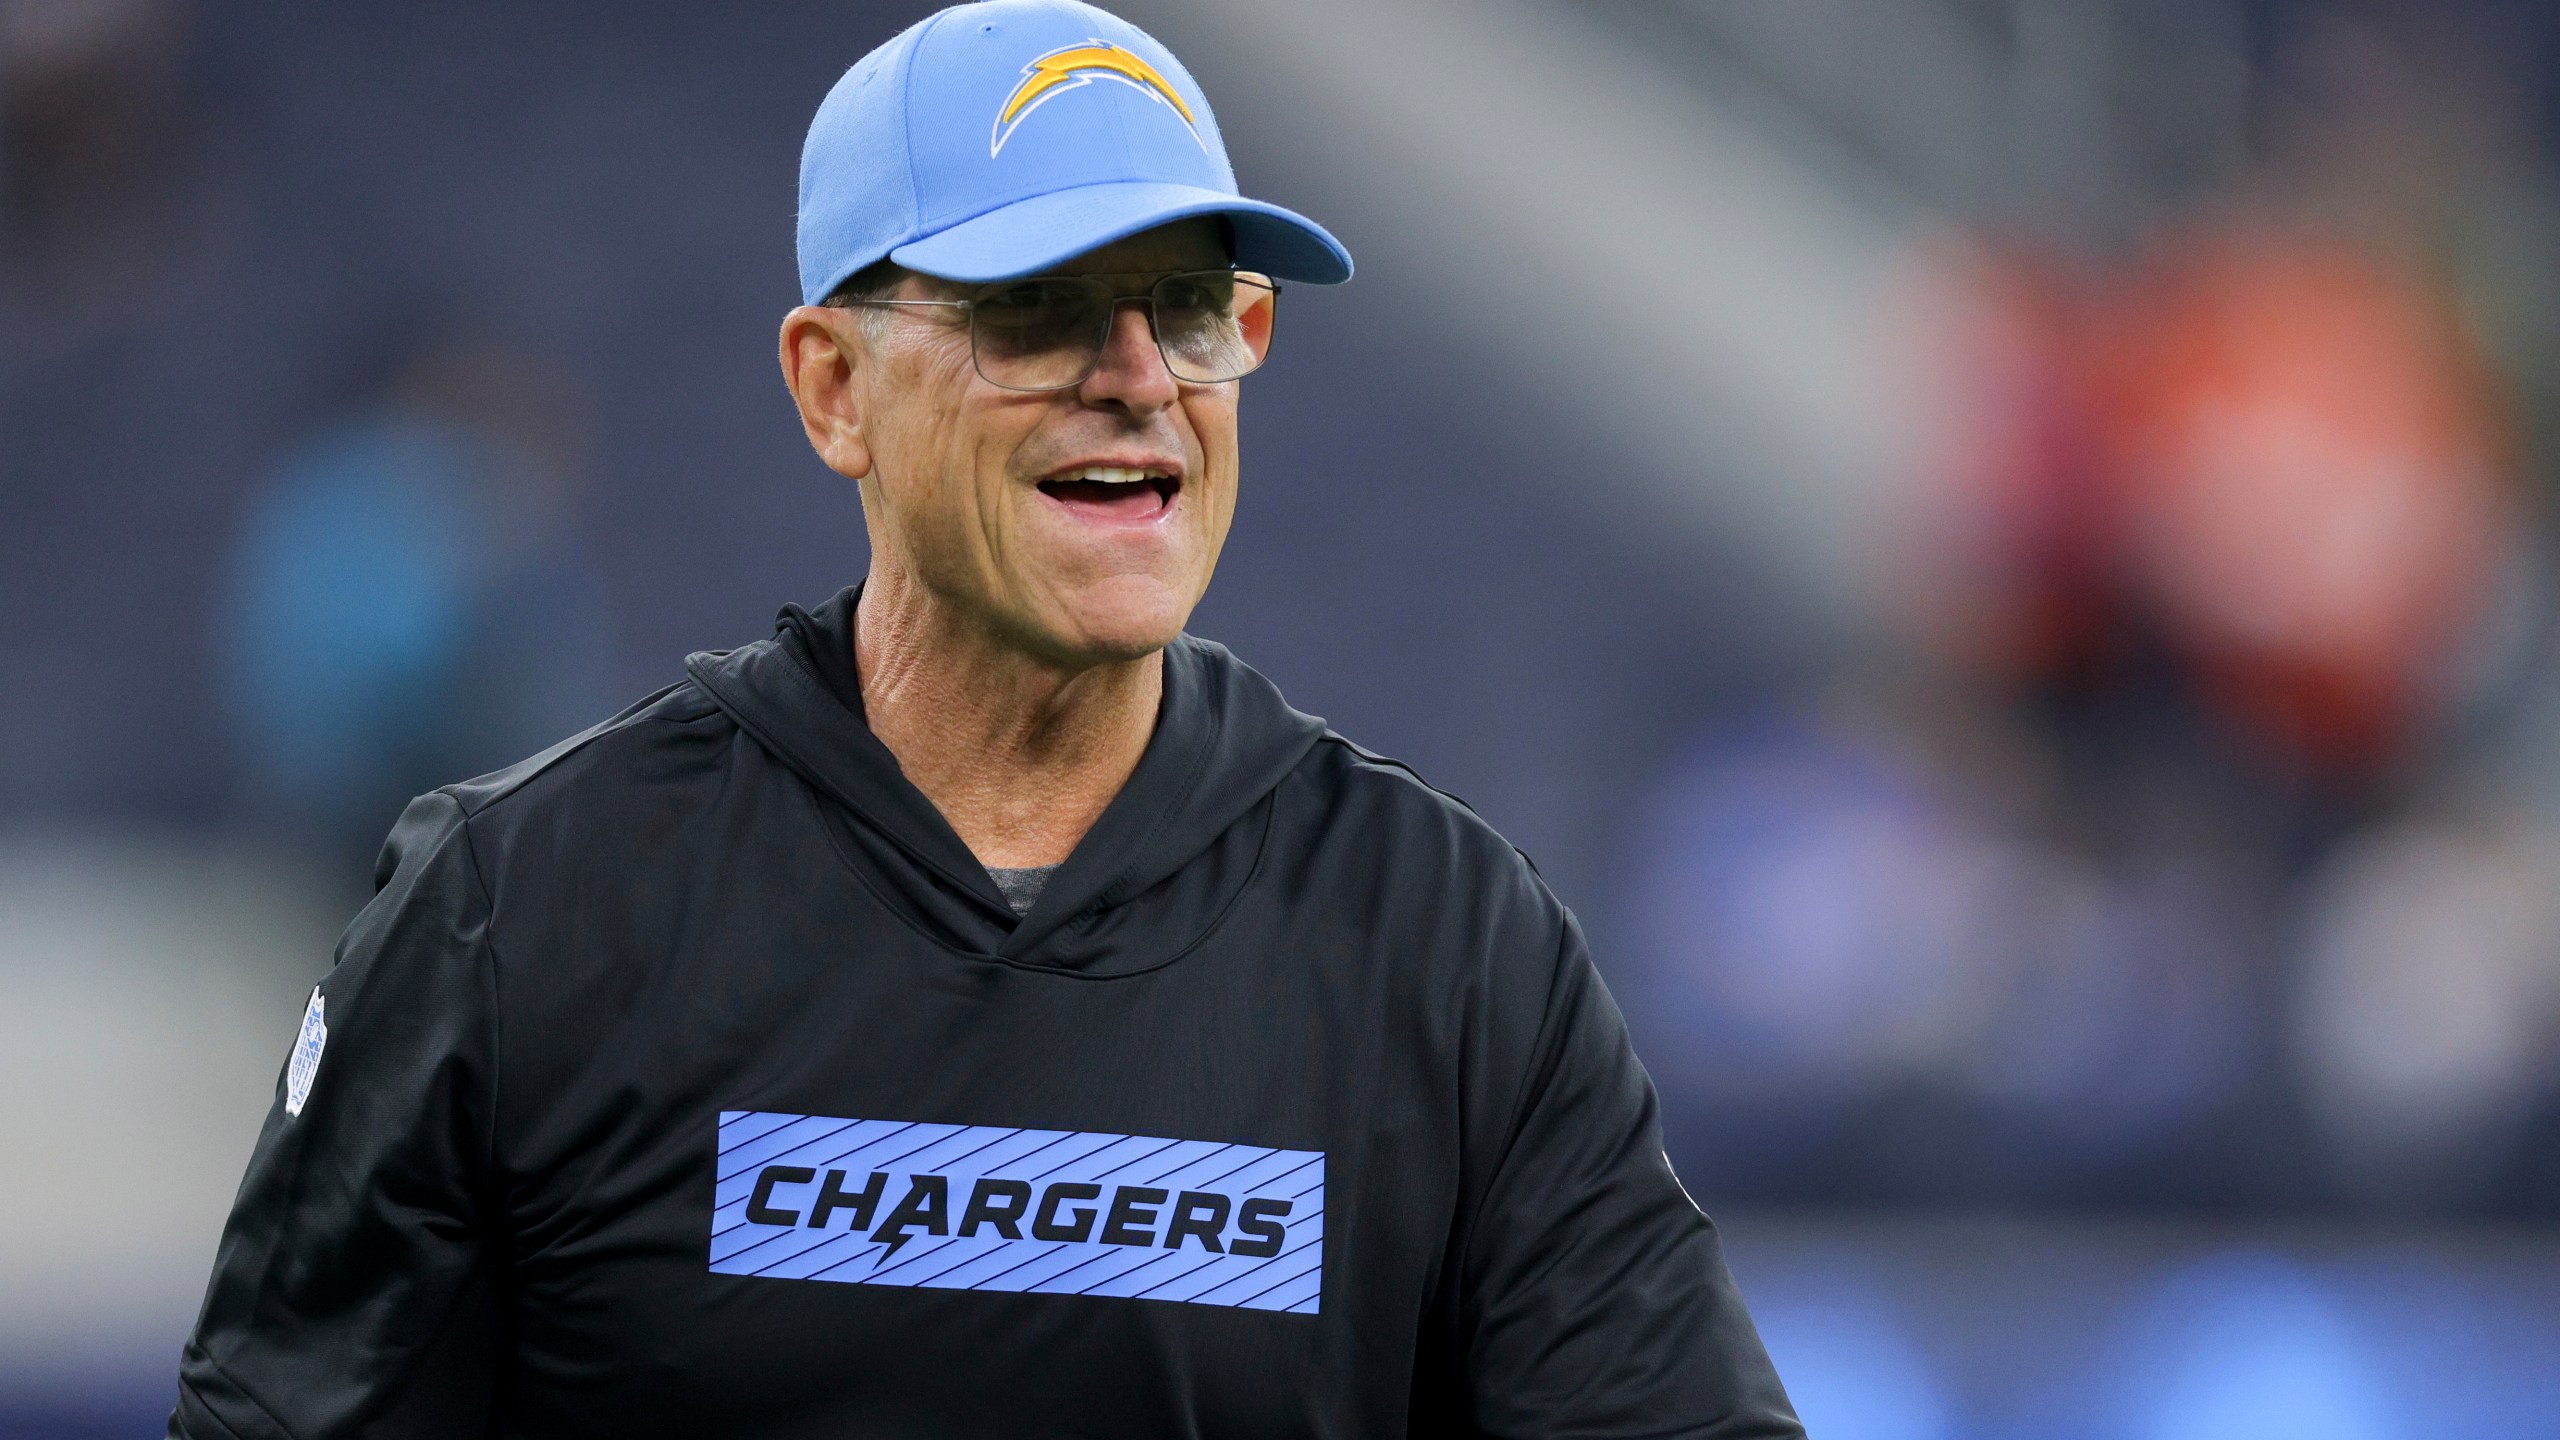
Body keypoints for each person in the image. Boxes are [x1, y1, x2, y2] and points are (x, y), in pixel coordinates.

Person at [169, 3, 1804, 1435]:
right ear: (833, 388)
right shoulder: (520, 916)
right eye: (1037, 308)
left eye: (1185, 307)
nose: (1136, 375)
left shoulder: (1449, 951)